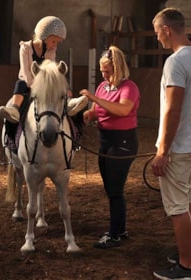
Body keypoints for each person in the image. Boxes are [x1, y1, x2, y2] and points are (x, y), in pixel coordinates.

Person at [151, 7, 191, 280]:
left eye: (157, 33)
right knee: (187, 201)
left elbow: (173, 110)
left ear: (166, 29)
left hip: (179, 146)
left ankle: (186, 268)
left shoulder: (175, 62)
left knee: (177, 207)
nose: (157, 39)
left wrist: (163, 151)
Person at [81, 45, 140, 249]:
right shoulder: (103, 87)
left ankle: (114, 235)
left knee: (115, 189)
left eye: (108, 71)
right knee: (111, 188)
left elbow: (123, 110)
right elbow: (97, 111)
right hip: (105, 140)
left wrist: (94, 99)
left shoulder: (129, 87)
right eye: (102, 71)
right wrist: (89, 114)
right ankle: (119, 230)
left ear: (118, 68)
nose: (104, 75)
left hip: (123, 142)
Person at [0, 16, 88, 123]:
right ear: (44, 36)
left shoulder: (51, 50)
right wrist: (34, 85)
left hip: (45, 82)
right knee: (20, 84)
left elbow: (50, 70)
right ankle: (14, 109)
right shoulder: (25, 48)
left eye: (57, 42)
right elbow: (25, 72)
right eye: (54, 41)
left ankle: (69, 103)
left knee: (63, 82)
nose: (55, 45)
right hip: (28, 83)